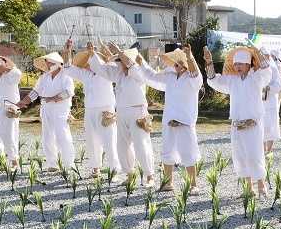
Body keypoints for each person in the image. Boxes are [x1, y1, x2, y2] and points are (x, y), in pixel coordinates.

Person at [204, 45, 271, 197]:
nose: (237, 66)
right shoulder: (232, 80)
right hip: (237, 124)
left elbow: (267, 72)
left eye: (240, 63)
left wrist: (258, 52)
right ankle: (249, 188)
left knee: (255, 154)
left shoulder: (256, 78)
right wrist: (209, 63)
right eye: (236, 64)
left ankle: (261, 184)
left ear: (248, 64)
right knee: (240, 155)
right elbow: (214, 80)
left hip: (253, 123)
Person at [88, 43, 155, 187]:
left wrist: (119, 51)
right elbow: (100, 69)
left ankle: (150, 176)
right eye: (118, 61)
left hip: (138, 113)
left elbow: (131, 64)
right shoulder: (118, 74)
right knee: (122, 147)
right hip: (122, 113)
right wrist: (92, 54)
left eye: (120, 61)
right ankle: (130, 174)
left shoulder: (138, 72)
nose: (119, 64)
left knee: (141, 145)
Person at [139, 44, 203, 194]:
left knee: (188, 152)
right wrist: (141, 63)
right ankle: (168, 183)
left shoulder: (192, 79)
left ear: (186, 64)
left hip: (185, 121)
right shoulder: (170, 76)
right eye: (175, 63)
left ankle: (193, 184)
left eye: (180, 63)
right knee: (167, 152)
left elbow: (197, 75)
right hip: (169, 119)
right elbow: (152, 76)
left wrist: (190, 56)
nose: (177, 66)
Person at [62, 39, 121, 179]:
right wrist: (68, 51)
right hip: (90, 110)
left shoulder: (108, 70)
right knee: (92, 140)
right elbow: (68, 69)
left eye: (92, 59)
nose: (89, 62)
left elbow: (106, 63)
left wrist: (93, 52)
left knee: (109, 140)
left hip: (106, 110)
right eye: (89, 60)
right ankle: (95, 168)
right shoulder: (85, 74)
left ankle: (114, 169)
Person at [17, 52, 75, 171]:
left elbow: (69, 92)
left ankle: (69, 165)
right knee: (47, 137)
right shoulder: (44, 77)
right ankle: (52, 164)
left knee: (63, 136)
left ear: (57, 64)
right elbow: (35, 92)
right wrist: (24, 102)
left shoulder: (66, 75)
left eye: (50, 62)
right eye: (47, 62)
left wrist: (52, 98)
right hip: (46, 110)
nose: (48, 64)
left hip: (61, 110)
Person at [261, 48, 281, 155]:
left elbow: (278, 85)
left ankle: (269, 150)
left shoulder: (274, 68)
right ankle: (261, 149)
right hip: (260, 101)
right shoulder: (257, 68)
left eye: (265, 55)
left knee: (271, 125)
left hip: (271, 101)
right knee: (260, 125)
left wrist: (268, 88)